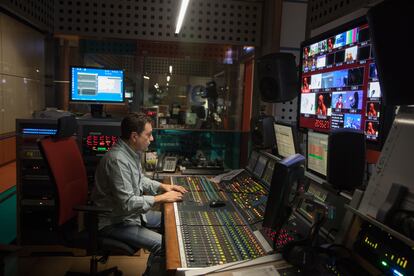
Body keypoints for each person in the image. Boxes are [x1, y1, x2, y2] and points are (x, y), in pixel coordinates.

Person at [91, 112, 187, 275]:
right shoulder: (118, 160)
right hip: (115, 222)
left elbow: (140, 179)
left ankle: (152, 268)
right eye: (148, 135)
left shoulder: (130, 153)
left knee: (171, 223)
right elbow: (127, 203)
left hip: (129, 216)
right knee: (166, 246)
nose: (152, 139)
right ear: (134, 136)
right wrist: (161, 198)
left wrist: (162, 187)